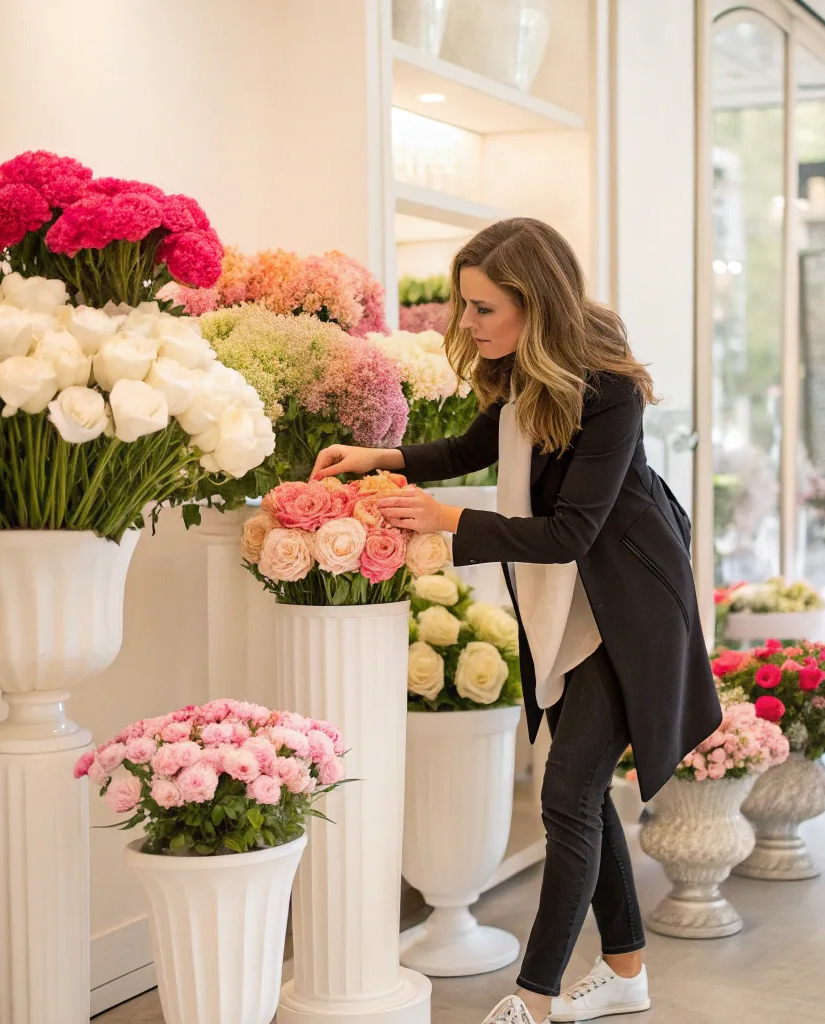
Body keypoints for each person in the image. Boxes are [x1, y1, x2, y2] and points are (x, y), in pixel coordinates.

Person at [311, 218, 721, 1024]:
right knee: (582, 794)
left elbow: (571, 533)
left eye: (482, 308)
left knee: (567, 795)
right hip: (566, 602)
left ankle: (532, 1000)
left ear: (536, 305)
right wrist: (382, 458)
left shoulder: (608, 391)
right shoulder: (518, 369)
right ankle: (627, 973)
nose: (465, 323)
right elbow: (476, 445)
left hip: (623, 609)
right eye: (467, 305)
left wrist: (446, 523)